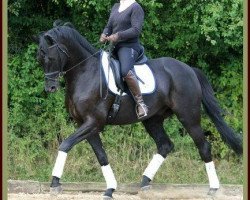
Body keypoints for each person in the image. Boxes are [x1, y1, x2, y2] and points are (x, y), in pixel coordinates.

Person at [99, 0, 148, 119]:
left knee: (125, 70)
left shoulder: (136, 7)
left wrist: (118, 36)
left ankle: (141, 104)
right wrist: (104, 34)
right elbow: (109, 26)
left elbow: (136, 30)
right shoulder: (116, 6)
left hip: (129, 46)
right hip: (114, 47)